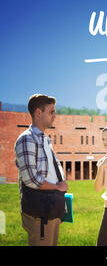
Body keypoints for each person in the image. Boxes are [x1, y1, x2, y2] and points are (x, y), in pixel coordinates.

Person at [14, 94, 68, 246]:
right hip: (40, 213)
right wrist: (58, 186)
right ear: (38, 113)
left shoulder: (44, 140)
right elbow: (31, 179)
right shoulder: (27, 139)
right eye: (51, 112)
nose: (55, 116)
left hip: (50, 208)